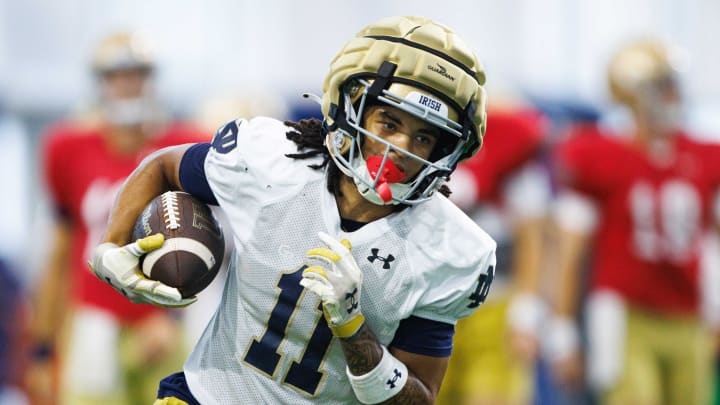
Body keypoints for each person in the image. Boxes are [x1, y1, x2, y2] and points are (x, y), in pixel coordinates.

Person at [89, 15, 496, 404]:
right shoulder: (273, 163)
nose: (400, 150)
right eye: (388, 124)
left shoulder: (448, 247)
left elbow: (419, 398)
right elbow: (162, 167)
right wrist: (111, 247)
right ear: (349, 107)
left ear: (445, 151)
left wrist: (354, 330)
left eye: (423, 138)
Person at [27, 32, 209, 405]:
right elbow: (60, 250)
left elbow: (211, 248)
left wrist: (172, 319)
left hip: (164, 318)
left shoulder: (184, 146)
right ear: (101, 83)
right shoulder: (67, 148)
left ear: (151, 79)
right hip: (95, 317)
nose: (127, 86)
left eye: (136, 74)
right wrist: (43, 345)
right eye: (116, 75)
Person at [548, 38, 719, 405]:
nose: (672, 94)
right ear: (633, 93)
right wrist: (562, 331)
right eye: (661, 84)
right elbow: (569, 251)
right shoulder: (598, 153)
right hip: (625, 314)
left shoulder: (706, 155)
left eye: (674, 83)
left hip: (688, 313)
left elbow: (714, 242)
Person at [437, 104, 551, 405]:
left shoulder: (513, 156)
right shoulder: (429, 144)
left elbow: (532, 240)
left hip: (493, 302)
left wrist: (526, 315)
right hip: (430, 301)